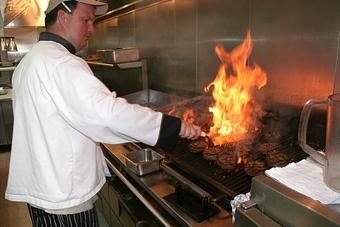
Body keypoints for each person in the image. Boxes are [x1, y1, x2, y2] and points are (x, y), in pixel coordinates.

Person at [5, 0, 201, 226]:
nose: (91, 29)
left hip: (44, 188)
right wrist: (172, 126)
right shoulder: (62, 63)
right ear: (62, 17)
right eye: (86, 20)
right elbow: (107, 114)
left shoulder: (31, 60)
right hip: (65, 196)